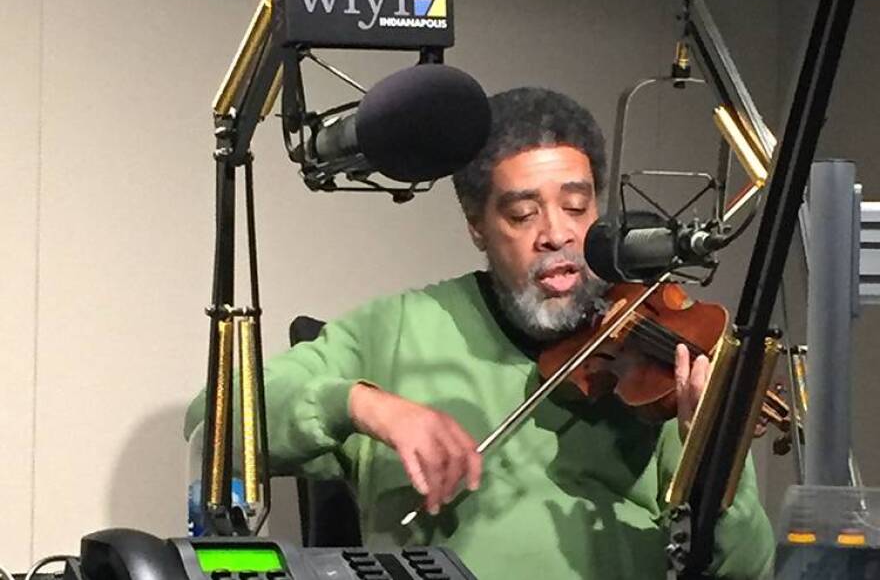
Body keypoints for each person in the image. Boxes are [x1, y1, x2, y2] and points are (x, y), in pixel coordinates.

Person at [185, 88, 773, 579]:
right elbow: (209, 423)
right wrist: (363, 405)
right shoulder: (397, 329)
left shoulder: (664, 362)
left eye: (577, 206)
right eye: (522, 215)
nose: (556, 235)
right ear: (476, 226)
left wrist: (712, 463)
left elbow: (747, 571)